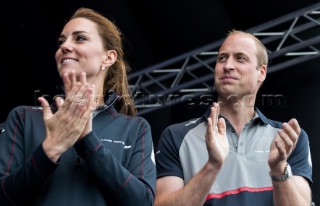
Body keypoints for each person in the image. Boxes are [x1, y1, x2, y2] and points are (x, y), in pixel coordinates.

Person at [0, 7, 156, 206]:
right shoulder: (23, 117)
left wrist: (88, 141)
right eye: (61, 41)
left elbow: (143, 202)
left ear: (108, 58)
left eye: (80, 38)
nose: (65, 46)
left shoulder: (135, 128)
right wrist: (50, 150)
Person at [154, 30, 313, 206]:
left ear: (261, 72)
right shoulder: (175, 136)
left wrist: (278, 169)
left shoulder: (288, 140)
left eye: (240, 58)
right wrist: (212, 166)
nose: (227, 65)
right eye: (222, 58)